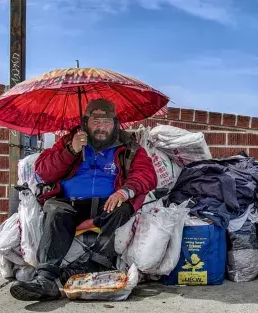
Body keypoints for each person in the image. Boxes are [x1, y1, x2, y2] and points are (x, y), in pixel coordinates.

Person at [10, 98, 157, 301]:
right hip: (69, 204)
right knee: (55, 211)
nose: (101, 128)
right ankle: (45, 279)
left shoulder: (129, 147)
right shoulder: (70, 141)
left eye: (107, 122)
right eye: (95, 122)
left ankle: (96, 262)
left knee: (124, 208)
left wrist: (125, 191)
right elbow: (43, 172)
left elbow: (146, 174)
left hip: (108, 205)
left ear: (115, 124)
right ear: (85, 122)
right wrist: (71, 150)